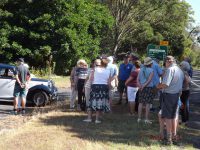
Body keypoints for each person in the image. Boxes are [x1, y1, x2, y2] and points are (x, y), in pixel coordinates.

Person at [157, 56, 184, 145]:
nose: (165, 64)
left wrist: (157, 86)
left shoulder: (170, 70)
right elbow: (181, 86)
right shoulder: (180, 70)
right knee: (174, 116)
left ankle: (169, 139)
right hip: (176, 95)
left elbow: (165, 84)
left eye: (166, 62)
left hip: (169, 95)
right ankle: (174, 136)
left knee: (168, 117)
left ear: (167, 62)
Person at [83, 57, 111, 123]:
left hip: (95, 86)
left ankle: (89, 118)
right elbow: (109, 82)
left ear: (100, 63)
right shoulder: (108, 71)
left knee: (91, 102)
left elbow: (91, 79)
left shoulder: (94, 69)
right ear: (107, 64)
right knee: (100, 102)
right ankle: (97, 119)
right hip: (104, 87)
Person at [137, 57, 154, 124]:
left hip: (141, 88)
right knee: (147, 104)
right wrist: (144, 86)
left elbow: (137, 79)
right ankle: (146, 119)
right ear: (150, 63)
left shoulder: (141, 69)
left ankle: (139, 118)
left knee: (140, 103)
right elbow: (149, 80)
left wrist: (140, 86)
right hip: (148, 88)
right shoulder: (151, 70)